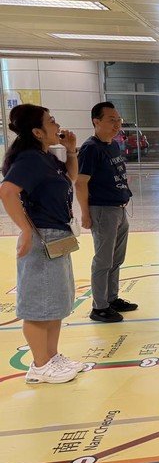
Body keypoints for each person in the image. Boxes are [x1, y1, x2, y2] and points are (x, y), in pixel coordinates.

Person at [0, 105, 83, 384]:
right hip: (42, 237)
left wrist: (71, 152)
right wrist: (25, 230)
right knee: (39, 306)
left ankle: (51, 356)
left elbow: (70, 179)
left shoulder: (46, 157)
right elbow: (7, 191)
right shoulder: (30, 159)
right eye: (51, 121)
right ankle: (40, 365)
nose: (57, 125)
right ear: (37, 132)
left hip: (58, 236)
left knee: (55, 303)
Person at [75, 102, 136, 323]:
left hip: (119, 209)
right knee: (103, 261)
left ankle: (111, 298)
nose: (117, 124)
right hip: (102, 210)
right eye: (111, 120)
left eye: (118, 120)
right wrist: (85, 213)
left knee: (116, 258)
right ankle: (99, 307)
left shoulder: (113, 145)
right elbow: (81, 183)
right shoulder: (91, 149)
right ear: (96, 121)